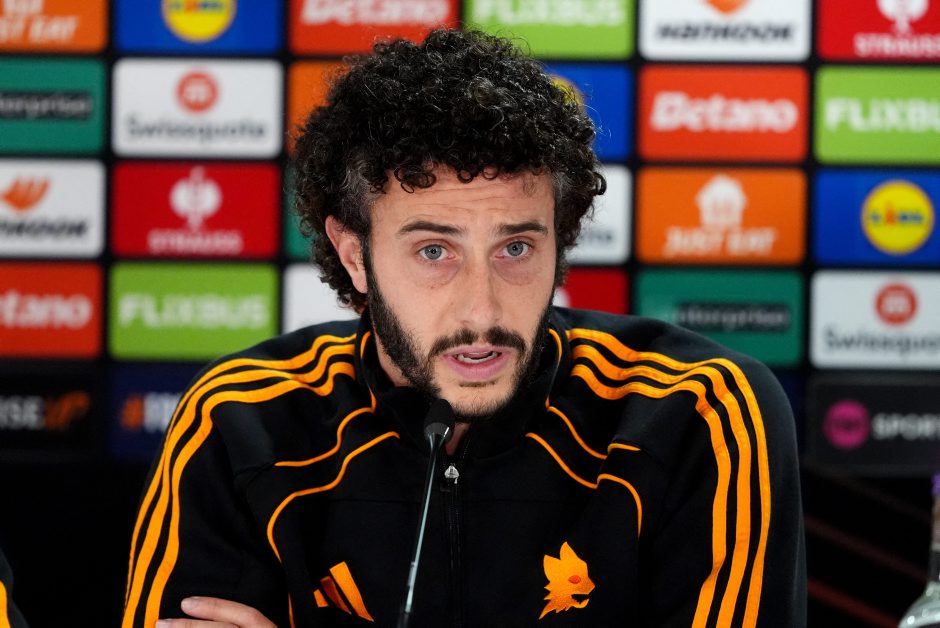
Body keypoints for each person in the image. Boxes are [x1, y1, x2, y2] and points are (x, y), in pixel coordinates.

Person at [123, 29, 806, 627]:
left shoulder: (697, 412)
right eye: (434, 252)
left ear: (560, 241)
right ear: (355, 254)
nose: (482, 312)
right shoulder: (240, 420)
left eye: (516, 248)